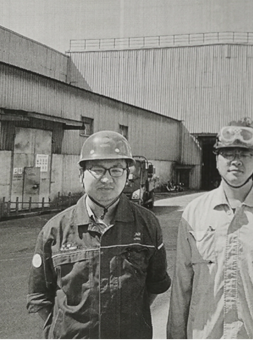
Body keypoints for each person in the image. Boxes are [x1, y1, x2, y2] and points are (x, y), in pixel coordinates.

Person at [27, 130, 171, 340]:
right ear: (81, 174)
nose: (107, 179)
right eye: (97, 170)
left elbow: (155, 284)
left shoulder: (147, 224)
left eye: (116, 170)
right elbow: (39, 296)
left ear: (127, 175)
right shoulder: (55, 229)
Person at [167, 119, 253, 340]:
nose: (236, 161)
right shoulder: (194, 213)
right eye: (228, 154)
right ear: (217, 159)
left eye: (245, 154)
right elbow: (181, 286)